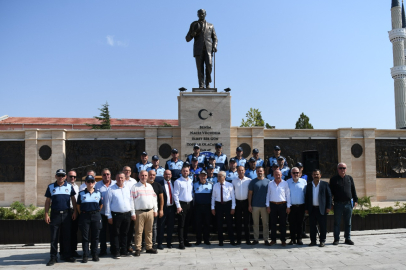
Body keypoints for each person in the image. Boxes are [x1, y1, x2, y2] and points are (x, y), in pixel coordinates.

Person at [44, 169, 77, 266]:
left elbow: (73, 199)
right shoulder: (51, 187)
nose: (61, 177)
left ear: (65, 177)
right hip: (55, 215)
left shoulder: (69, 186)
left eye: (63, 175)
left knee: (67, 236)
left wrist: (75, 211)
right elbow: (47, 201)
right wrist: (46, 213)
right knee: (54, 237)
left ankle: (66, 255)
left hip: (67, 215)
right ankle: (53, 257)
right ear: (56, 176)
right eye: (59, 175)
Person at [185, 9, 218, 88]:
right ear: (197, 15)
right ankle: (201, 85)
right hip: (198, 49)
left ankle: (207, 83)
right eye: (199, 14)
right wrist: (192, 35)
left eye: (202, 14)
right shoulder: (194, 25)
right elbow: (187, 38)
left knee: (209, 65)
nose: (201, 15)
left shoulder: (211, 25)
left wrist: (214, 46)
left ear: (205, 14)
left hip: (208, 49)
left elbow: (215, 38)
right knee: (200, 68)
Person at [105, 172, 133, 259]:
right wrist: (109, 216)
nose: (120, 179)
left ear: (124, 178)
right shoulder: (111, 189)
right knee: (115, 234)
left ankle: (124, 251)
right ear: (115, 179)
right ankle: (116, 251)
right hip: (116, 215)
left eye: (122, 178)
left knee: (125, 233)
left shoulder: (128, 188)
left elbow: (131, 201)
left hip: (127, 214)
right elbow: (107, 203)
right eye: (118, 178)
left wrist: (133, 213)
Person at [131, 170, 158, 256]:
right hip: (139, 212)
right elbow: (131, 201)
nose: (144, 177)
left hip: (150, 211)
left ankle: (149, 247)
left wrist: (155, 210)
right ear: (139, 176)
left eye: (145, 175)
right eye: (142, 175)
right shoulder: (135, 187)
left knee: (149, 231)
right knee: (139, 232)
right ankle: (138, 248)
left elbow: (154, 199)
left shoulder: (150, 186)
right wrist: (133, 213)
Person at [329, 163, 358, 245]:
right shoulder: (334, 179)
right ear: (337, 169)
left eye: (344, 168)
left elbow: (353, 190)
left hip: (348, 204)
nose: (342, 169)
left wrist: (356, 200)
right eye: (340, 168)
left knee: (348, 222)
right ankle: (336, 239)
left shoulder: (349, 178)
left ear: (346, 169)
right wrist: (331, 203)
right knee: (337, 223)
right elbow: (330, 193)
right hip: (338, 204)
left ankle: (347, 238)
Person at [77, 175, 103, 263]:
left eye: (92, 181)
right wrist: (83, 213)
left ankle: (94, 254)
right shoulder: (81, 193)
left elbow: (101, 205)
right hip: (85, 216)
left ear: (94, 183)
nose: (90, 183)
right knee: (85, 237)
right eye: (88, 181)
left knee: (95, 236)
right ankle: (85, 255)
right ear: (86, 183)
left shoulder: (98, 193)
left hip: (95, 215)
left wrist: (95, 212)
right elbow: (78, 205)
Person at [305, 169, 332, 247]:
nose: (316, 176)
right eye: (314, 174)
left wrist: (328, 207)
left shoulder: (325, 184)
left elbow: (329, 196)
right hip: (312, 209)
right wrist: (306, 208)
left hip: (322, 209)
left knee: (322, 226)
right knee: (312, 226)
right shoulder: (309, 185)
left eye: (317, 174)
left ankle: (322, 241)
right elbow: (307, 197)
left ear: (320, 175)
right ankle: (313, 241)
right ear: (312, 176)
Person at [266, 170, 291, 246]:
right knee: (273, 223)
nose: (277, 175)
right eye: (276, 174)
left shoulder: (285, 183)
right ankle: (273, 239)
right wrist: (268, 206)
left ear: (281, 175)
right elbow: (268, 195)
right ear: (273, 175)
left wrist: (288, 206)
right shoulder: (270, 183)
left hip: (282, 205)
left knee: (283, 223)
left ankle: (283, 240)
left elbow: (288, 195)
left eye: (279, 174)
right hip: (273, 205)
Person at [95, 168, 116, 257]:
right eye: (104, 174)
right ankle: (103, 249)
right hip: (102, 213)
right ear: (101, 176)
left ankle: (113, 249)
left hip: (113, 212)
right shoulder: (97, 185)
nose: (106, 176)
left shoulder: (115, 183)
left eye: (108, 174)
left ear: (110, 175)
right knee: (102, 232)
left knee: (113, 232)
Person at [211, 171, 236, 246]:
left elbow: (233, 197)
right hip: (218, 205)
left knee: (229, 223)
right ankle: (220, 240)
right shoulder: (215, 185)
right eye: (217, 176)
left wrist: (233, 207)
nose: (218, 178)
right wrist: (212, 208)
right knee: (219, 223)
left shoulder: (229, 185)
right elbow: (213, 197)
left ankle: (231, 240)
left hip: (228, 204)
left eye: (220, 176)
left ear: (224, 177)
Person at [248, 166, 270, 245]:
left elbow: (270, 194)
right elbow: (250, 194)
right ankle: (256, 239)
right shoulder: (253, 182)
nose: (259, 172)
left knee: (265, 223)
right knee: (255, 223)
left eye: (261, 171)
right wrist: (249, 205)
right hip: (255, 206)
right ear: (256, 172)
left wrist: (269, 205)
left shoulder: (268, 181)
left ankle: (266, 239)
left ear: (263, 172)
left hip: (265, 206)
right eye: (258, 171)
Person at [173, 165, 194, 249]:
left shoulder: (191, 181)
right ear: (181, 172)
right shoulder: (178, 181)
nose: (185, 172)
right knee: (181, 224)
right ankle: (181, 242)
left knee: (187, 224)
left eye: (187, 171)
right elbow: (175, 195)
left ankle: (185, 239)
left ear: (189, 172)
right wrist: (178, 206)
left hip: (190, 204)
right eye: (184, 171)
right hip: (182, 205)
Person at [61, 170, 80, 258]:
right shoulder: (62, 186)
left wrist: (76, 211)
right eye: (70, 176)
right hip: (65, 211)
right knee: (64, 232)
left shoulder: (76, 187)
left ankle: (73, 250)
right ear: (66, 177)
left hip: (74, 211)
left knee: (74, 231)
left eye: (74, 177)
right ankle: (63, 252)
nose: (72, 178)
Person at [286, 167, 307, 245]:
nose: (296, 174)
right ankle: (292, 239)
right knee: (292, 223)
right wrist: (287, 207)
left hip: (301, 206)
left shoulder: (304, 182)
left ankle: (299, 239)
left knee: (300, 223)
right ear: (291, 174)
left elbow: (306, 194)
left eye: (297, 173)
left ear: (300, 173)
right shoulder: (287, 182)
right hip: (291, 207)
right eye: (294, 173)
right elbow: (286, 195)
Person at [232, 166, 252, 245]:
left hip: (246, 202)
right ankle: (239, 239)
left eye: (242, 170)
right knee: (238, 222)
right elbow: (232, 193)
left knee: (247, 222)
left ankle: (248, 239)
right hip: (237, 203)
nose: (241, 172)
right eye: (239, 170)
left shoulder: (249, 180)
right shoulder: (233, 181)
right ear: (237, 171)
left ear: (245, 171)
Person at [157, 170, 176, 250]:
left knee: (170, 226)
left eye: (169, 174)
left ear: (171, 175)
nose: (167, 175)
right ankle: (160, 243)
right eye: (166, 174)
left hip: (172, 208)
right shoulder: (159, 184)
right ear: (163, 175)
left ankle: (169, 243)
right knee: (161, 226)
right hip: (163, 208)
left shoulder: (174, 183)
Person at [193, 170, 213, 245]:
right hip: (198, 207)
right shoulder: (195, 185)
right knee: (198, 224)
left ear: (206, 176)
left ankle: (206, 239)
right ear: (199, 176)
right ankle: (198, 240)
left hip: (207, 207)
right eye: (201, 176)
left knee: (207, 223)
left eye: (204, 176)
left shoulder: (211, 184)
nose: (203, 177)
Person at [147, 170, 164, 248]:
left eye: (153, 175)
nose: (151, 176)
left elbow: (161, 198)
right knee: (145, 228)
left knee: (154, 228)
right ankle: (145, 244)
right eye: (150, 175)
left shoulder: (158, 185)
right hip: (144, 210)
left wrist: (161, 209)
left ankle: (153, 244)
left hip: (154, 210)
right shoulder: (144, 185)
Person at [123, 166, 137, 253]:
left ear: (131, 172)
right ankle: (122, 246)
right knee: (123, 230)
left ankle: (129, 245)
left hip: (131, 208)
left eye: (129, 170)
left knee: (130, 229)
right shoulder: (119, 180)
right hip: (122, 209)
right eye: (125, 170)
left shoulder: (134, 182)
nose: (127, 172)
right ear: (123, 171)